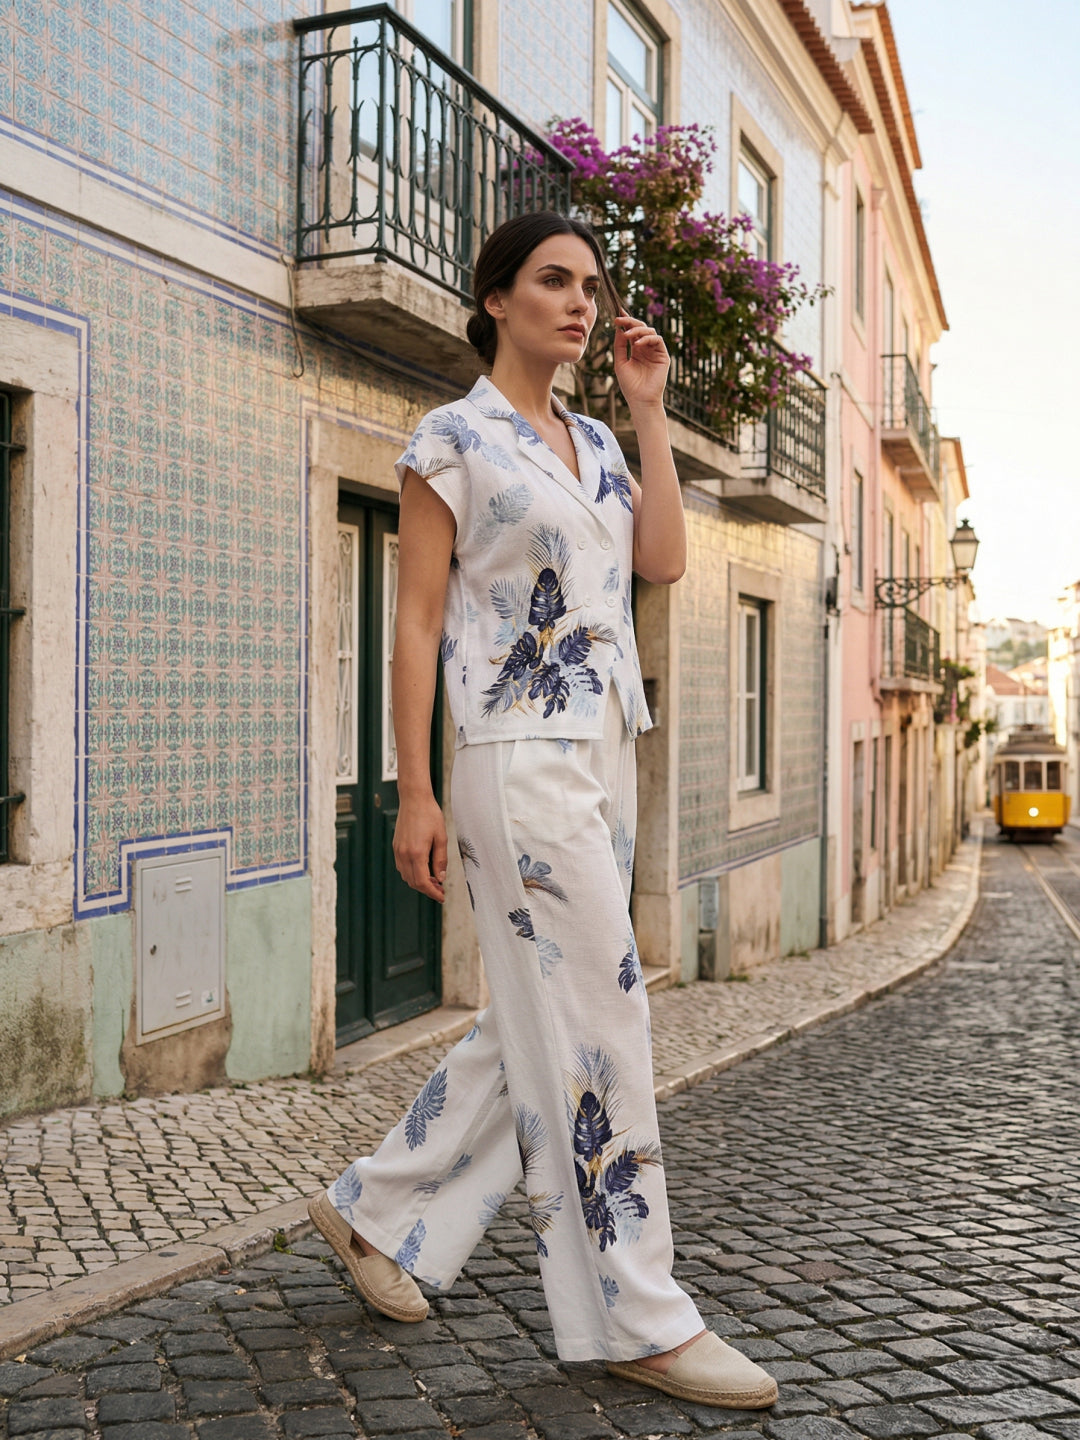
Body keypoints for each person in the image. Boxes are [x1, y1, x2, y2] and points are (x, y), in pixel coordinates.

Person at [309, 210, 778, 1411]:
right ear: (497, 298)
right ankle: (635, 1312)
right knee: (605, 1019)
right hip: (512, 755)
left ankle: (378, 1212)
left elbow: (663, 561)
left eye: (590, 285)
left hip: (605, 751)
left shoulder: (595, 447)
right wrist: (413, 786)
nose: (579, 301)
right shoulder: (452, 439)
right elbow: (414, 624)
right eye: (553, 280)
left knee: (538, 1009)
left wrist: (650, 408)